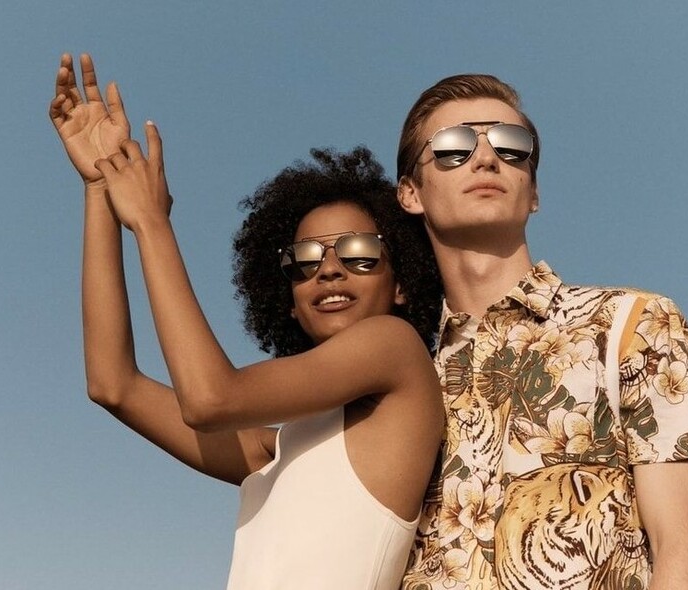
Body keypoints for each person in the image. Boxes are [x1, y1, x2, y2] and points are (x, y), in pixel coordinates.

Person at [48, 53, 445, 589]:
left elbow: (210, 399)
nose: (329, 268)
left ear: (402, 283)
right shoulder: (275, 449)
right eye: (304, 260)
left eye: (358, 251)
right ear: (288, 298)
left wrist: (149, 222)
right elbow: (112, 383)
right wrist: (100, 186)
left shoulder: (395, 348)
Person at [394, 75, 688, 590]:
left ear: (535, 192)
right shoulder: (405, 376)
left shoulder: (630, 325)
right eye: (453, 147)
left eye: (511, 146)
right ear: (410, 193)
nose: (485, 159)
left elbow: (686, 549)